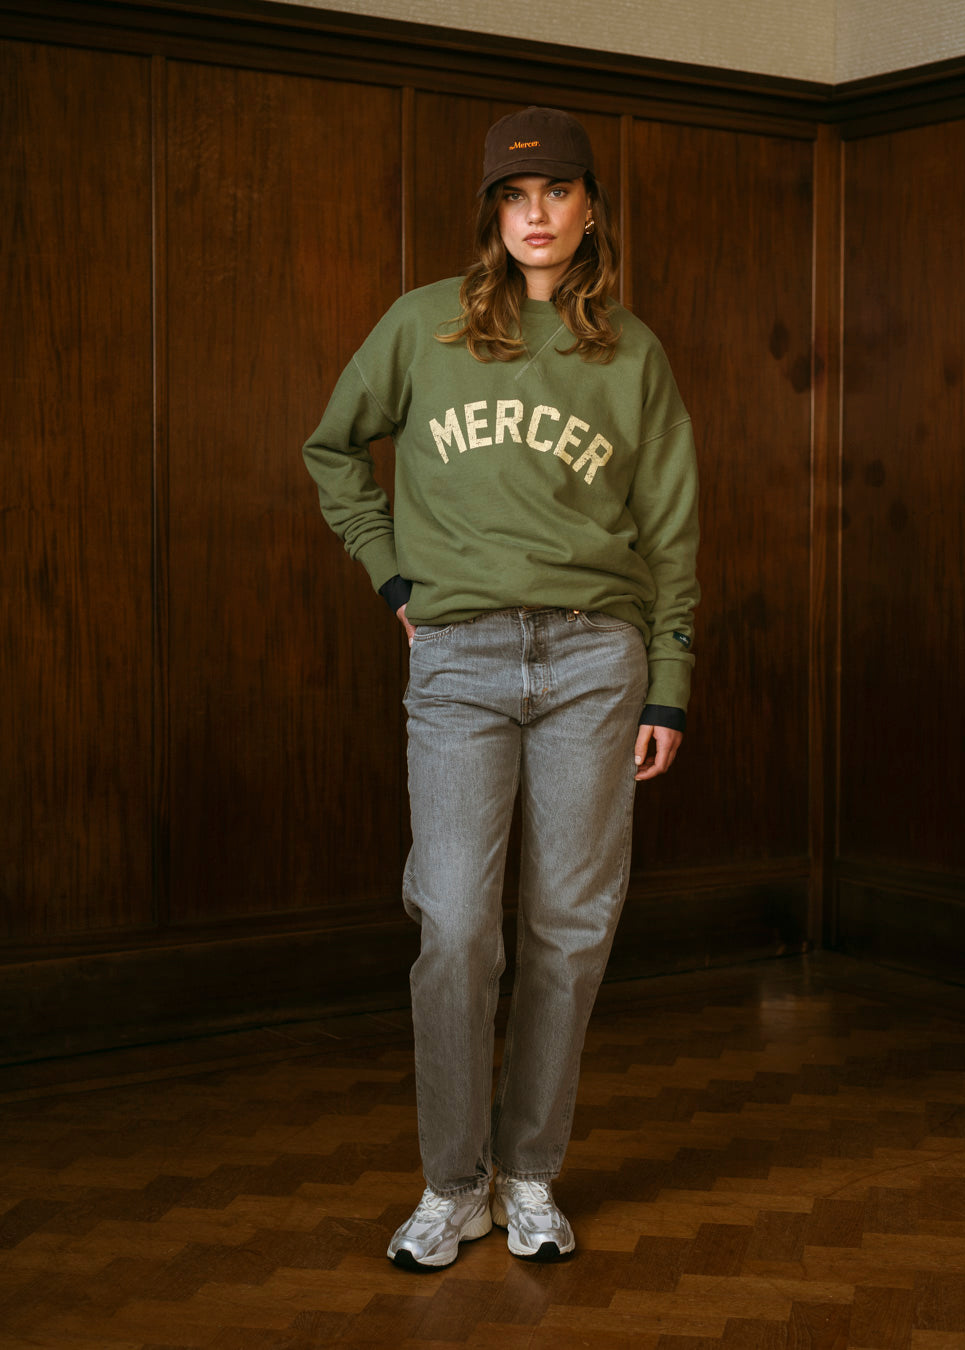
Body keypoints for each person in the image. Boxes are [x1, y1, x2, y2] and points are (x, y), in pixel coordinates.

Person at [302, 105, 699, 1271]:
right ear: (492, 214)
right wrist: (391, 576)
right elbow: (333, 449)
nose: (537, 215)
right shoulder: (422, 324)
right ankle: (452, 1184)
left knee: (568, 929)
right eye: (515, 197)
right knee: (458, 926)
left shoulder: (632, 353)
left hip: (594, 659)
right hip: (461, 660)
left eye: (558, 193)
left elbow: (672, 531)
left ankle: (528, 1175)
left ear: (591, 211)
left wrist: (669, 683)